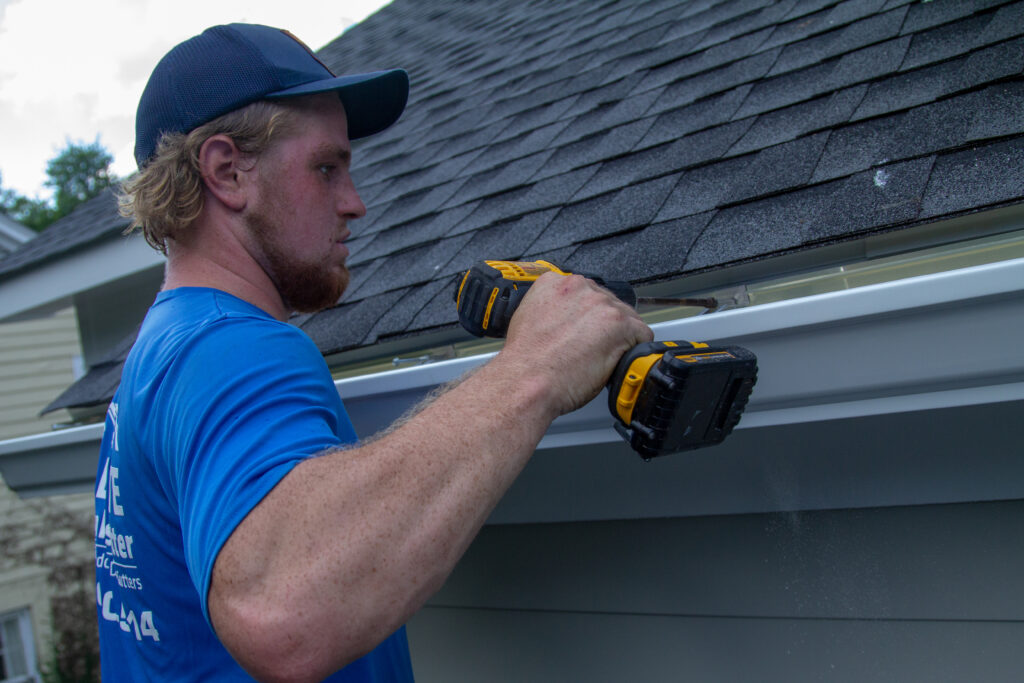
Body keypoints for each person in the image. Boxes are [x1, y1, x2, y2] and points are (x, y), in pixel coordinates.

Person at [94, 23, 652, 683]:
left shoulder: (163, 348)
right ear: (227, 170)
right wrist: (533, 370)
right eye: (326, 168)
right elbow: (283, 613)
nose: (355, 204)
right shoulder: (232, 350)